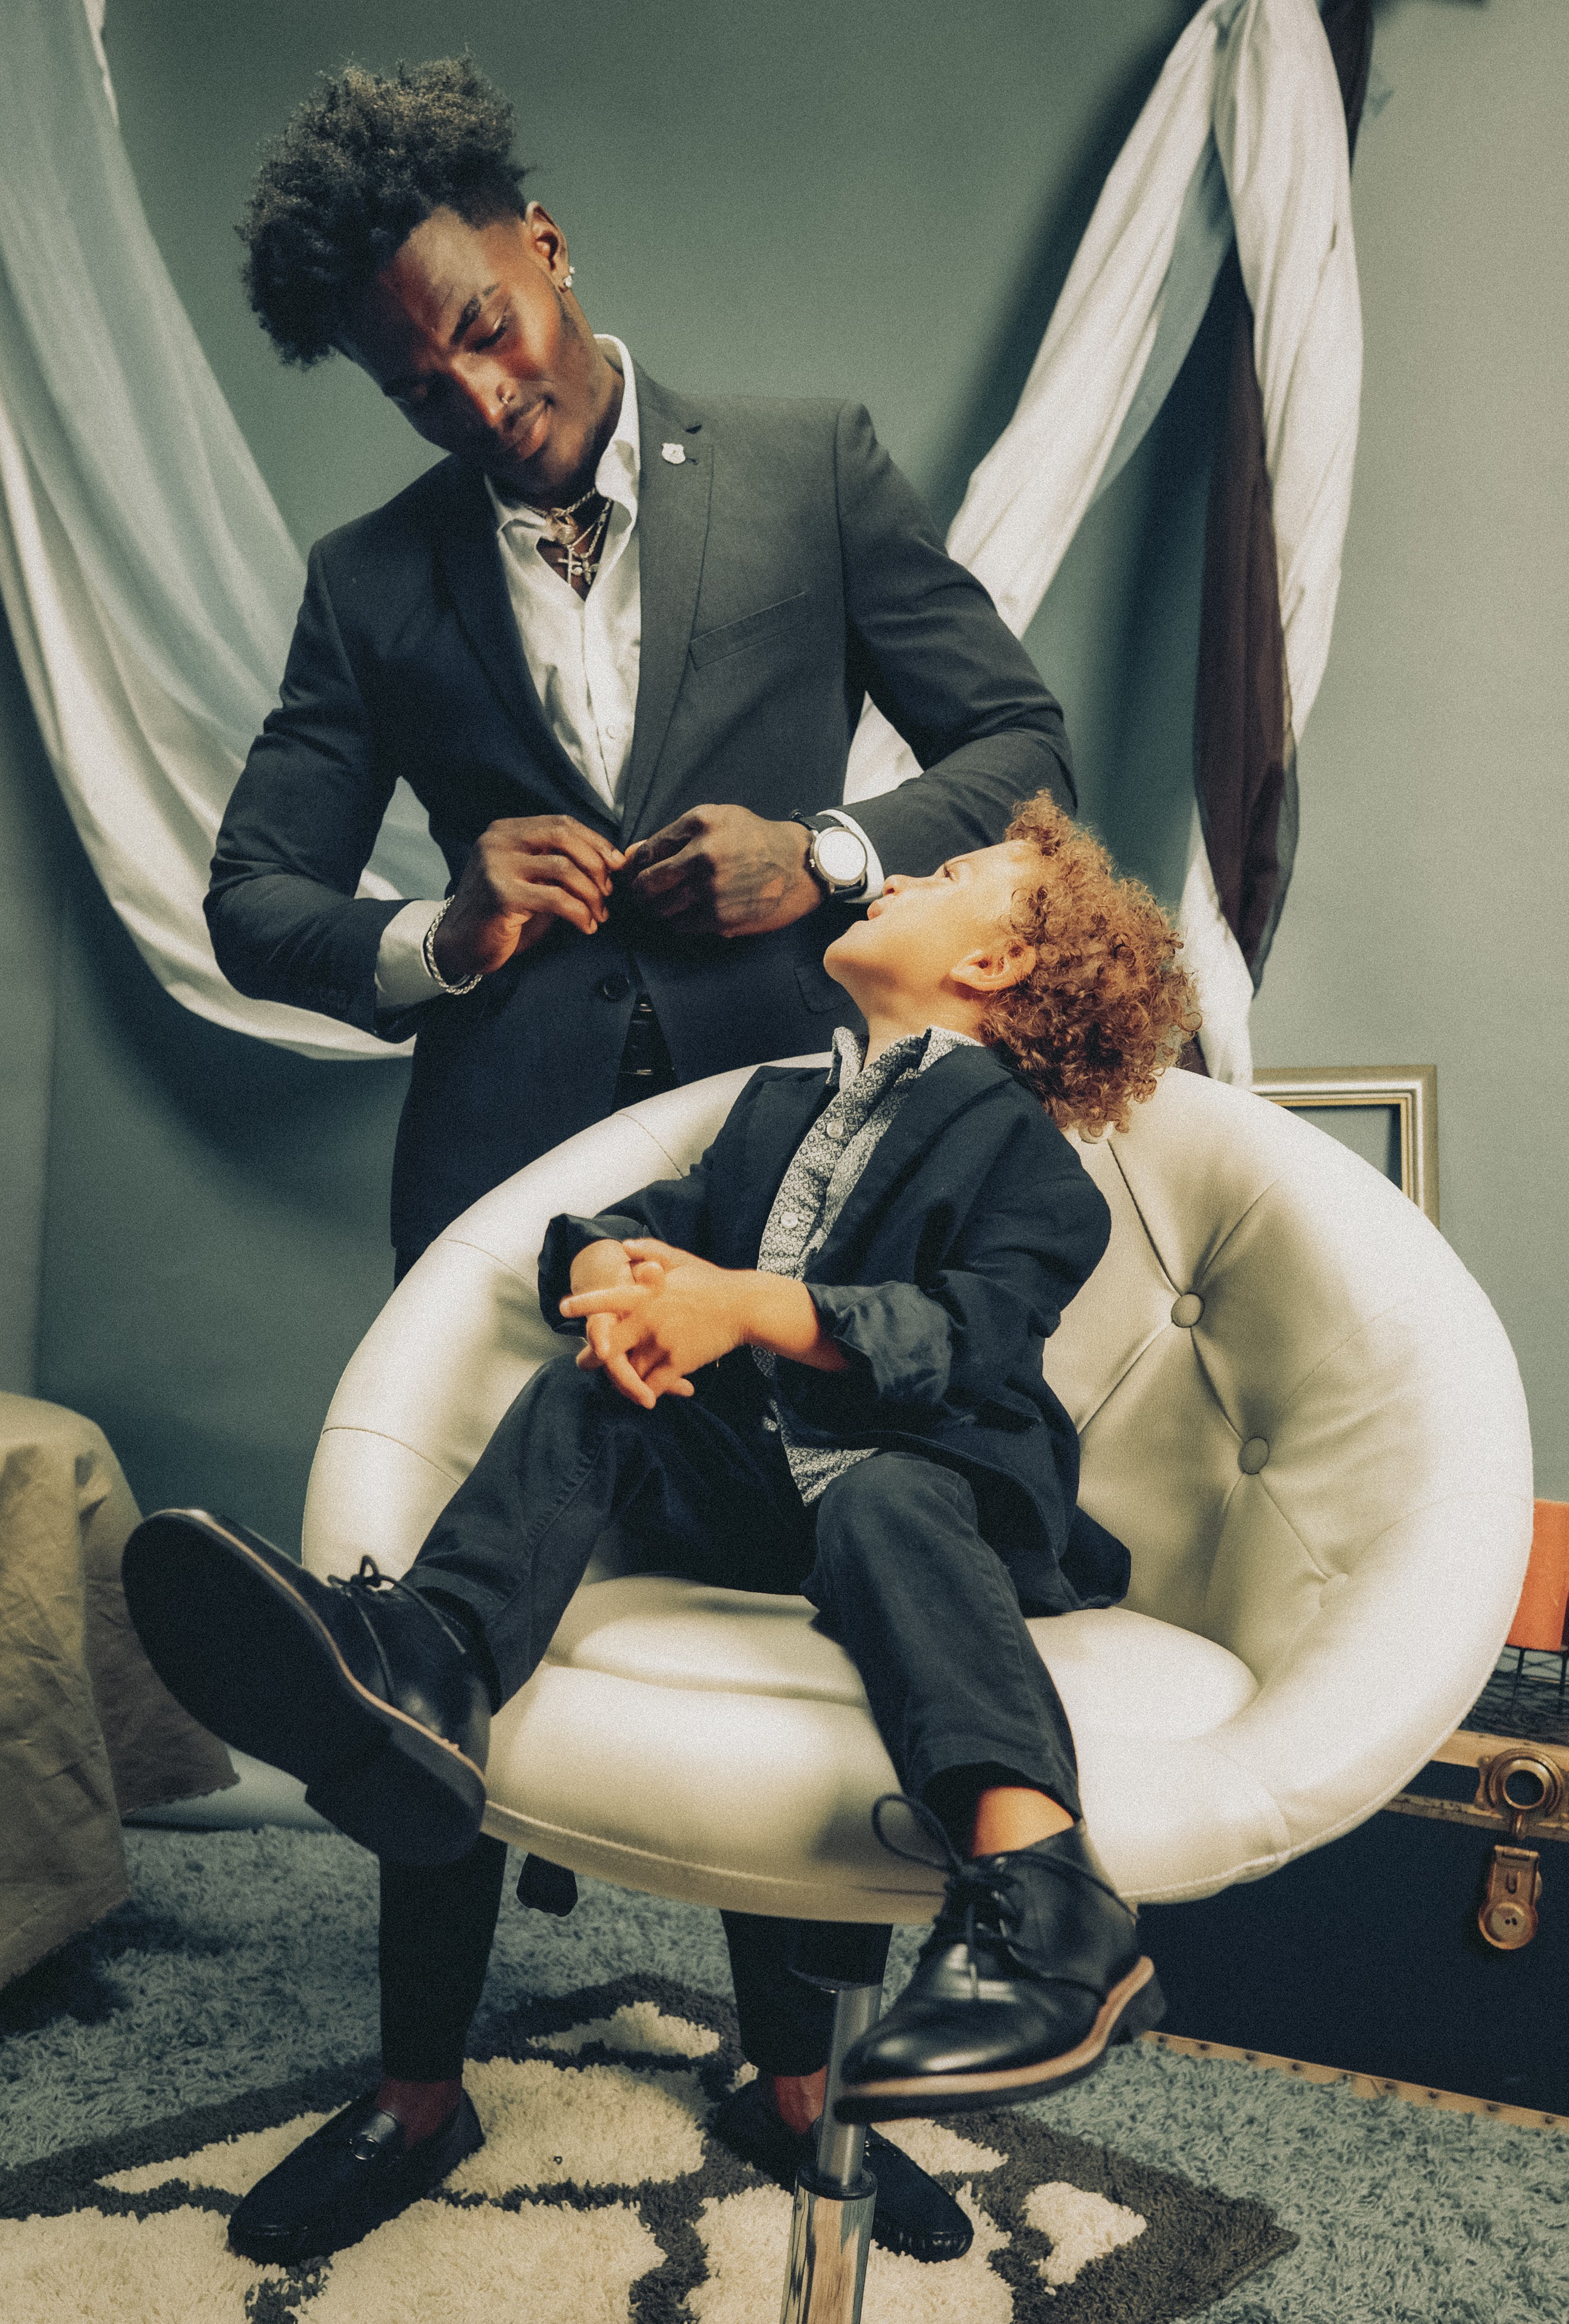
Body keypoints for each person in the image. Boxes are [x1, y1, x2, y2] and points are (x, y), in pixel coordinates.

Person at [188, 47, 1085, 2270]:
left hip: (771, 1160)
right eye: (419, 389)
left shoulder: (804, 464)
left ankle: (795, 2077)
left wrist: (831, 850)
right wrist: (442, 926)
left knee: (792, 1566)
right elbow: (253, 901)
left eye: (484, 330)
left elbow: (1016, 736)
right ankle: (416, 2087)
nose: (478, 399)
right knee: (431, 1609)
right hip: (492, 1180)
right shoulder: (368, 582)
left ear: (544, 245)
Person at [127, 794, 1198, 2248]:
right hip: (748, 1486)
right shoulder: (774, 1106)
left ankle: (1043, 1905)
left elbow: (961, 1336)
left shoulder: (1027, 1159)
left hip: (916, 1496)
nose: (898, 874)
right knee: (593, 1395)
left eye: (950, 872)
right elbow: (629, 1218)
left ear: (996, 965)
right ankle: (423, 1662)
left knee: (883, 1494)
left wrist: (746, 1303)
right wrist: (615, 1274)